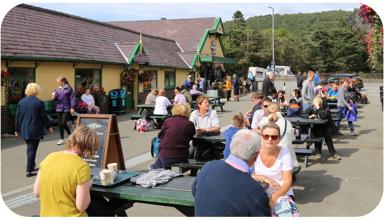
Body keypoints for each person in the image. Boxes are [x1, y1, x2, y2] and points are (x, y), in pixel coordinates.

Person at [192, 129, 271, 216]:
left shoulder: (208, 167)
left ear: (230, 146)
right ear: (256, 156)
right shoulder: (256, 192)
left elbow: (194, 192)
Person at [33, 125, 99, 216]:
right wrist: (87, 185)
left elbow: (37, 192)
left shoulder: (49, 157)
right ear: (88, 147)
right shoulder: (82, 166)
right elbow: (81, 206)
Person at [252, 123, 298, 216]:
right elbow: (247, 174)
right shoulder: (255, 151)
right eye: (266, 136)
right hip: (260, 191)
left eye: (274, 137)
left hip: (281, 192)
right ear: (261, 137)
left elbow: (287, 183)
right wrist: (265, 179)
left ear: (279, 139)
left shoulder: (284, 152)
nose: (270, 139)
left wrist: (274, 198)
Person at [15, 83, 53, 177]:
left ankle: (31, 165)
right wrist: (48, 126)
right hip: (34, 129)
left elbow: (17, 117)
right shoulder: (39, 102)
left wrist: (17, 129)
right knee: (32, 149)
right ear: (36, 90)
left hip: (24, 128)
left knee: (29, 148)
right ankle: (29, 170)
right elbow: (43, 116)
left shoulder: (21, 102)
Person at [150, 104, 196, 169]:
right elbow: (192, 136)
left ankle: (154, 168)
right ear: (187, 112)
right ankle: (155, 168)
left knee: (161, 159)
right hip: (182, 156)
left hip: (166, 156)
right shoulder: (190, 124)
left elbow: (160, 136)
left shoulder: (168, 121)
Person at [255, 103, 300, 169]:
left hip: (274, 156)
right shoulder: (287, 122)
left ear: (269, 111)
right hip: (290, 159)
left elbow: (257, 128)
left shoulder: (267, 120)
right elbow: (293, 137)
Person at [189, 95, 221, 160]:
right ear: (199, 105)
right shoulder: (194, 114)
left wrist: (205, 130)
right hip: (197, 140)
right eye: (205, 102)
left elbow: (217, 128)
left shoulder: (213, 113)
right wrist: (197, 130)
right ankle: (192, 167)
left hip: (210, 142)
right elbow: (190, 126)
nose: (208, 104)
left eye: (208, 102)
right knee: (190, 154)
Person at [52, 75, 76, 145]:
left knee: (63, 123)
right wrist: (54, 97)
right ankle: (62, 139)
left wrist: (72, 107)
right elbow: (55, 98)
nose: (57, 83)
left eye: (58, 82)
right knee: (60, 124)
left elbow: (72, 98)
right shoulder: (57, 89)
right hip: (59, 107)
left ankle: (70, 135)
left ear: (63, 81)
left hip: (66, 108)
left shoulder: (69, 89)